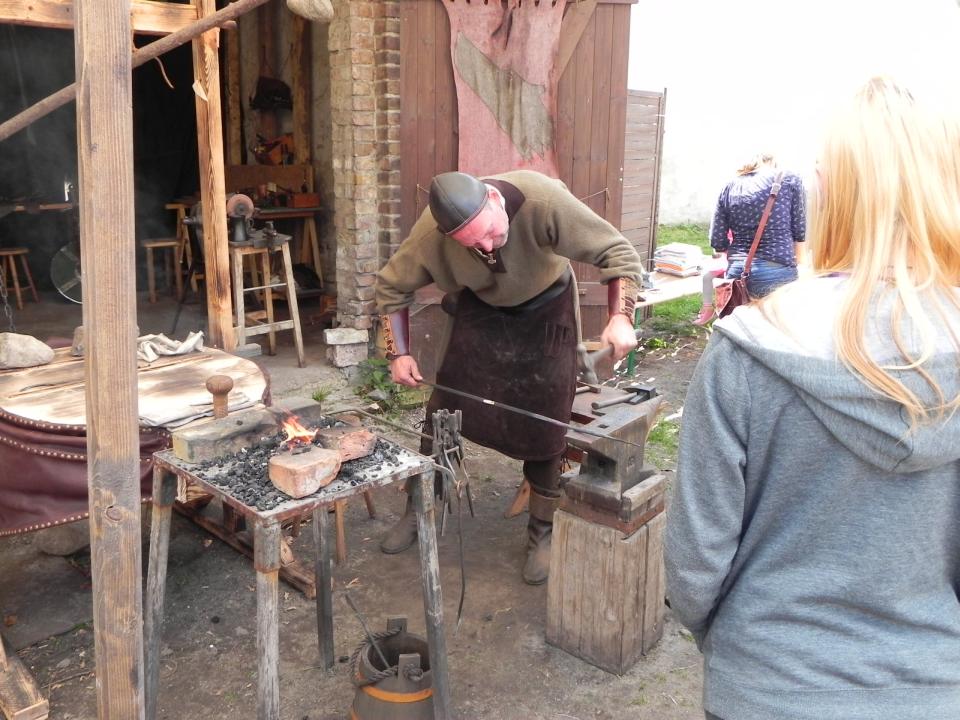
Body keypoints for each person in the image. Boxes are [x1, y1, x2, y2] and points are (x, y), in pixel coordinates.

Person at [665, 76, 960, 720]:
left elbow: (694, 559)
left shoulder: (748, 346)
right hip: (932, 690)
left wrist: (735, 647)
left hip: (767, 684)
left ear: (831, 191)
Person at [375, 169, 645, 584]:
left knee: (546, 420)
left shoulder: (542, 202)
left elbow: (618, 253)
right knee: (442, 412)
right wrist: (399, 352)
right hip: (479, 311)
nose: (486, 246)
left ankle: (543, 532)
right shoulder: (431, 235)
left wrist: (620, 316)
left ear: (495, 201)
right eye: (471, 244)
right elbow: (392, 286)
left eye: (489, 232)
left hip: (547, 309)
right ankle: (421, 508)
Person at [706, 152, 806, 306]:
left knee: (737, 327)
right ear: (772, 161)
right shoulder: (789, 179)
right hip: (777, 269)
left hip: (737, 272)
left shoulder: (729, 186)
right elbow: (799, 229)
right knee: (776, 327)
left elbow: (717, 240)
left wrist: (739, 258)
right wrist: (801, 265)